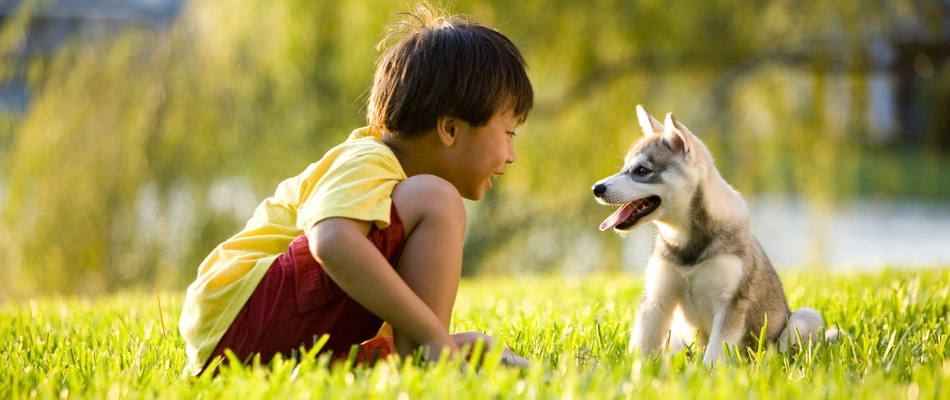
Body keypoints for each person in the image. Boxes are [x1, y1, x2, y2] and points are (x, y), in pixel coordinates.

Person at [178, 2, 534, 376]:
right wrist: (433, 337)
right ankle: (430, 359)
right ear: (449, 129)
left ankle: (421, 362)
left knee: (472, 344)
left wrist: (436, 340)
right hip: (240, 319)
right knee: (438, 199)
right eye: (508, 134)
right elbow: (330, 241)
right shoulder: (369, 158)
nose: (511, 155)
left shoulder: (398, 203)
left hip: (251, 346)